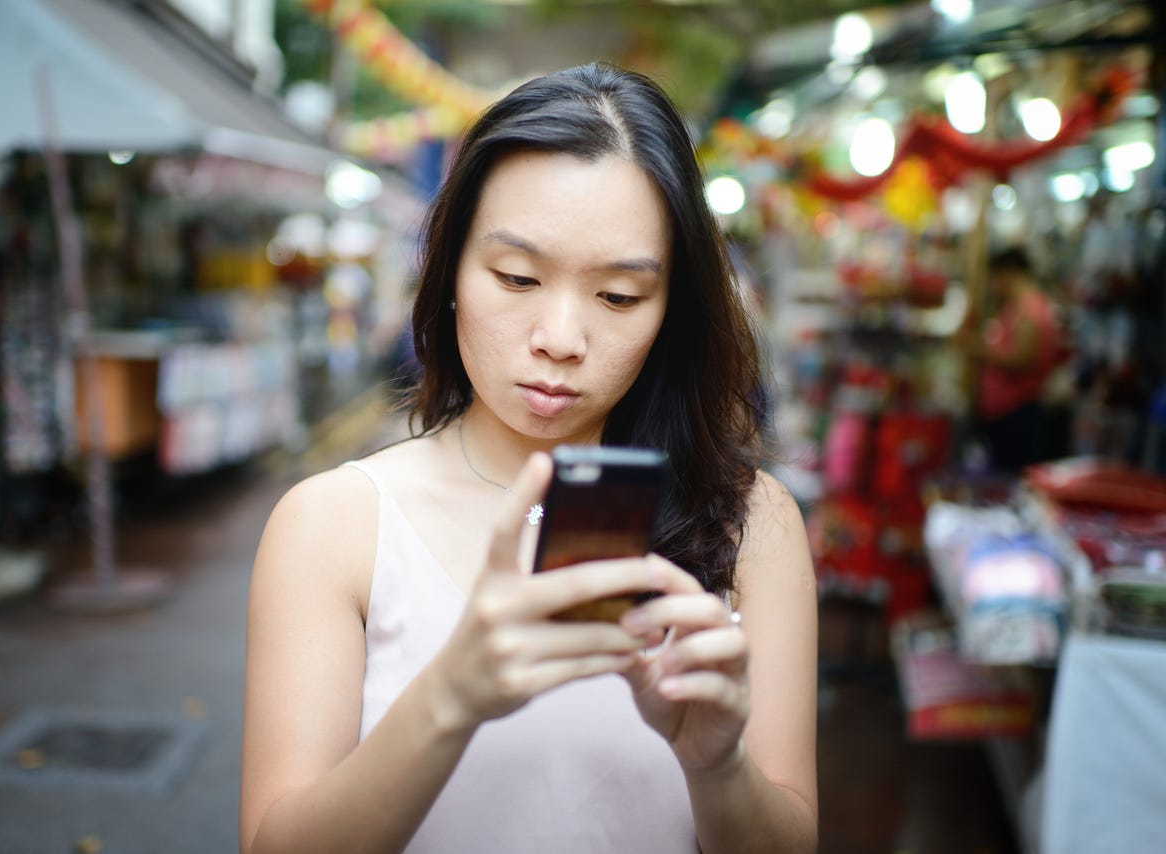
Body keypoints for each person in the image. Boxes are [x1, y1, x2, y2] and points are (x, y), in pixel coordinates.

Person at [240, 63, 818, 853]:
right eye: (516, 277)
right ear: (448, 273)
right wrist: (451, 694)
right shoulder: (333, 526)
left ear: (671, 308)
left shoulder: (756, 525)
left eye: (618, 295)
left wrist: (717, 767)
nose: (560, 339)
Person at [965, 247, 1064, 472]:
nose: (993, 285)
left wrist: (980, 350)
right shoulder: (1019, 306)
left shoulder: (1030, 308)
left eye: (994, 278)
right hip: (1008, 413)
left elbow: (1023, 359)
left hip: (1018, 415)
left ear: (1008, 272)